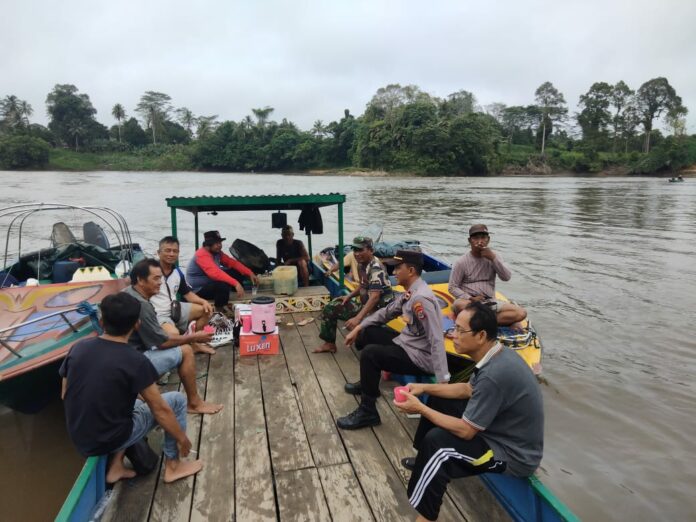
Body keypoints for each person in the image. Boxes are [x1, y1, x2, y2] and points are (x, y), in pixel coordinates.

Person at [394, 301, 544, 522]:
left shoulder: (495, 373)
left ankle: (424, 518)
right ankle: (421, 460)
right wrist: (424, 388)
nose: (453, 335)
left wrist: (420, 408)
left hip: (512, 453)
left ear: (481, 335)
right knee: (440, 396)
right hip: (497, 429)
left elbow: (466, 432)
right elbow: (467, 389)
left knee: (439, 447)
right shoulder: (495, 354)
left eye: (459, 330)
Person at [59, 293, 204, 484]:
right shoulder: (135, 360)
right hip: (111, 438)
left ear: (102, 322)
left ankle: (116, 467)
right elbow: (160, 410)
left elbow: (65, 394)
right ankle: (174, 466)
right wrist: (182, 438)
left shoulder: (78, 348)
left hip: (80, 438)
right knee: (176, 401)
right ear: (137, 324)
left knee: (134, 401)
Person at [336, 250, 450, 430]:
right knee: (368, 332)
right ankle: (368, 384)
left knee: (370, 354)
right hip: (407, 345)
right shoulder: (411, 292)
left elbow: (436, 339)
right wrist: (358, 327)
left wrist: (443, 381)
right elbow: (386, 312)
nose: (394, 272)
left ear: (411, 271)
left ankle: (368, 411)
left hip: (419, 356)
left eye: (398, 268)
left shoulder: (421, 299)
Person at [124, 259, 223, 414]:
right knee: (185, 351)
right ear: (140, 280)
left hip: (125, 355)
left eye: (161, 278)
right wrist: (193, 337)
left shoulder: (128, 293)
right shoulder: (142, 305)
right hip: (132, 363)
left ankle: (142, 390)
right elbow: (163, 343)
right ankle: (194, 403)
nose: (160, 283)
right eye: (156, 278)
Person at [314, 236, 393, 354]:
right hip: (365, 305)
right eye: (355, 250)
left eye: (361, 250)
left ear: (371, 250)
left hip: (379, 310)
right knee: (331, 307)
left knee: (359, 333)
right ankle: (329, 344)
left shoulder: (376, 268)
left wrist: (358, 318)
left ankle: (376, 353)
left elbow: (375, 297)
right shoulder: (361, 264)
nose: (356, 253)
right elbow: (363, 285)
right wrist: (349, 296)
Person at [448, 224, 526, 327]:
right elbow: (452, 287)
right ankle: (490, 320)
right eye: (476, 238)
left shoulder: (495, 257)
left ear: (488, 240)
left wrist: (493, 259)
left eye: (483, 238)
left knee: (521, 313)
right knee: (459, 305)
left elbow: (506, 277)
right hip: (469, 303)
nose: (480, 241)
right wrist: (471, 298)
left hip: (489, 303)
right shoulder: (461, 262)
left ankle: (480, 321)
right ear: (470, 240)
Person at [152, 236, 215, 355]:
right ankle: (185, 345)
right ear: (159, 252)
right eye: (167, 250)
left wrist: (204, 302)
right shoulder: (150, 270)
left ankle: (195, 343)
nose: (171, 254)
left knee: (206, 310)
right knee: (173, 334)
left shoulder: (177, 272)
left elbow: (187, 294)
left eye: (175, 251)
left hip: (174, 308)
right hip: (158, 313)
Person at [186, 230, 259, 311]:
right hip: (198, 290)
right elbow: (215, 274)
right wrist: (235, 283)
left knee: (235, 271)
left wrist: (250, 273)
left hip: (210, 282)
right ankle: (220, 309)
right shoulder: (202, 254)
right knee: (222, 285)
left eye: (220, 242)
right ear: (208, 244)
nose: (220, 245)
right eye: (217, 243)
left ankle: (238, 292)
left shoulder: (217, 253)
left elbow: (232, 263)